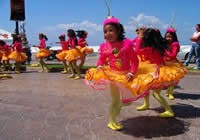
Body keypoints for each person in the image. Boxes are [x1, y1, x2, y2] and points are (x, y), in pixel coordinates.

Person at [85, 17, 158, 130]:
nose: (107, 33)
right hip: (113, 76)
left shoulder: (126, 44)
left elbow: (135, 61)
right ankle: (112, 121)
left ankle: (117, 109)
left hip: (127, 76)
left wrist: (132, 73)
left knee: (127, 101)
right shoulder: (105, 46)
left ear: (118, 31)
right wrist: (99, 65)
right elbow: (101, 59)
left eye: (111, 30)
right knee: (115, 101)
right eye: (105, 31)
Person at [136, 28, 186, 117]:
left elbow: (137, 50)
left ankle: (169, 111)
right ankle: (146, 104)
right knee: (145, 88)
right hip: (156, 68)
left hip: (158, 71)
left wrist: (139, 38)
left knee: (155, 93)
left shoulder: (149, 49)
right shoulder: (160, 46)